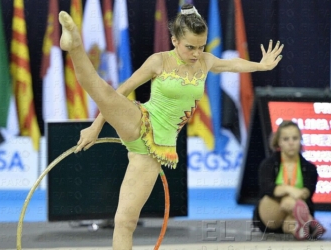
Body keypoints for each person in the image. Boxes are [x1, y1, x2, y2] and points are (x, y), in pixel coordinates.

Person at [59, 4, 284, 249]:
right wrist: (95, 126)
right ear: (175, 40)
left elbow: (233, 64)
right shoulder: (159, 61)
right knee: (103, 92)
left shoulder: (206, 62)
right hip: (141, 119)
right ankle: (75, 45)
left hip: (156, 148)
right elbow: (121, 90)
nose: (196, 53)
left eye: (201, 46)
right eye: (190, 47)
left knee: (125, 221)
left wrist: (260, 66)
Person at [253, 120, 326, 240]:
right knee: (282, 199)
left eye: (295, 138)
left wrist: (295, 195)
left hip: (293, 213)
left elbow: (307, 192)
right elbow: (267, 189)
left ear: (300, 141)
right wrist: (289, 189)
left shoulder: (310, 168)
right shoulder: (267, 164)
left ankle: (300, 228)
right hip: (271, 213)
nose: (291, 143)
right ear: (279, 142)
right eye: (286, 139)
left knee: (291, 217)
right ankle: (310, 222)